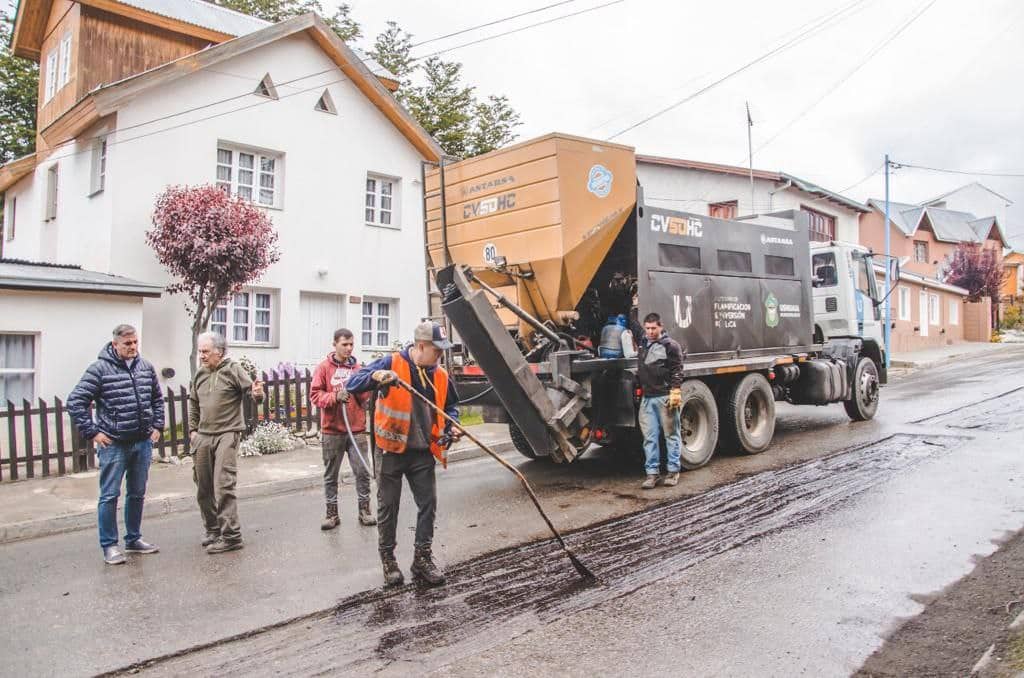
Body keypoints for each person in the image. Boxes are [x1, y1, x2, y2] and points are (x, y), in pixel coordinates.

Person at [347, 321, 461, 588]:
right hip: (391, 450)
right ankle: (388, 561)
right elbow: (353, 382)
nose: (441, 355)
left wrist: (452, 425)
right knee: (388, 507)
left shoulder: (440, 374)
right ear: (421, 346)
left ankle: (422, 559)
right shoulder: (391, 363)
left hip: (422, 451)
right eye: (437, 350)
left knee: (428, 504)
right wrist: (375, 377)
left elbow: (452, 406)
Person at [67, 324, 164, 565]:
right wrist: (93, 433)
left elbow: (157, 398)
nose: (132, 347)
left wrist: (157, 426)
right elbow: (76, 401)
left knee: (137, 493)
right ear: (115, 345)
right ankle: (109, 545)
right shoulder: (99, 369)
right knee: (109, 496)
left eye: (135, 343)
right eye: (127, 344)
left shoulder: (145, 367)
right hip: (114, 444)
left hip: (142, 442)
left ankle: (133, 539)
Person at [187, 331, 264, 554]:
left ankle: (231, 536)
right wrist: (193, 430)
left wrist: (258, 394)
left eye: (205, 351)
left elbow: (253, 393)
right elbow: (193, 402)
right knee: (203, 486)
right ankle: (213, 530)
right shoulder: (200, 374)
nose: (201, 355)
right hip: (203, 435)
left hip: (227, 434)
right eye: (200, 351)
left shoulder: (233, 370)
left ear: (219, 352)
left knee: (223, 484)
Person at [309, 328, 375, 530]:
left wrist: (367, 390)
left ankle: (365, 511)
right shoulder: (323, 368)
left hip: (356, 430)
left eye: (351, 345)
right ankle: (332, 514)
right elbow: (315, 396)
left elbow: (366, 398)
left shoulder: (357, 369)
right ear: (335, 344)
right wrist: (334, 397)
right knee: (331, 475)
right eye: (344, 344)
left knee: (362, 472)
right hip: (332, 432)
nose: (348, 348)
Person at [636, 312, 685, 489]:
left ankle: (673, 471)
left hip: (665, 398)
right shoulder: (643, 344)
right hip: (647, 399)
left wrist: (675, 391)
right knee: (649, 438)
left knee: (671, 435)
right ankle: (652, 474)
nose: (650, 331)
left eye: (653, 328)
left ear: (661, 327)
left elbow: (677, 370)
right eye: (647, 328)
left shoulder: (671, 346)